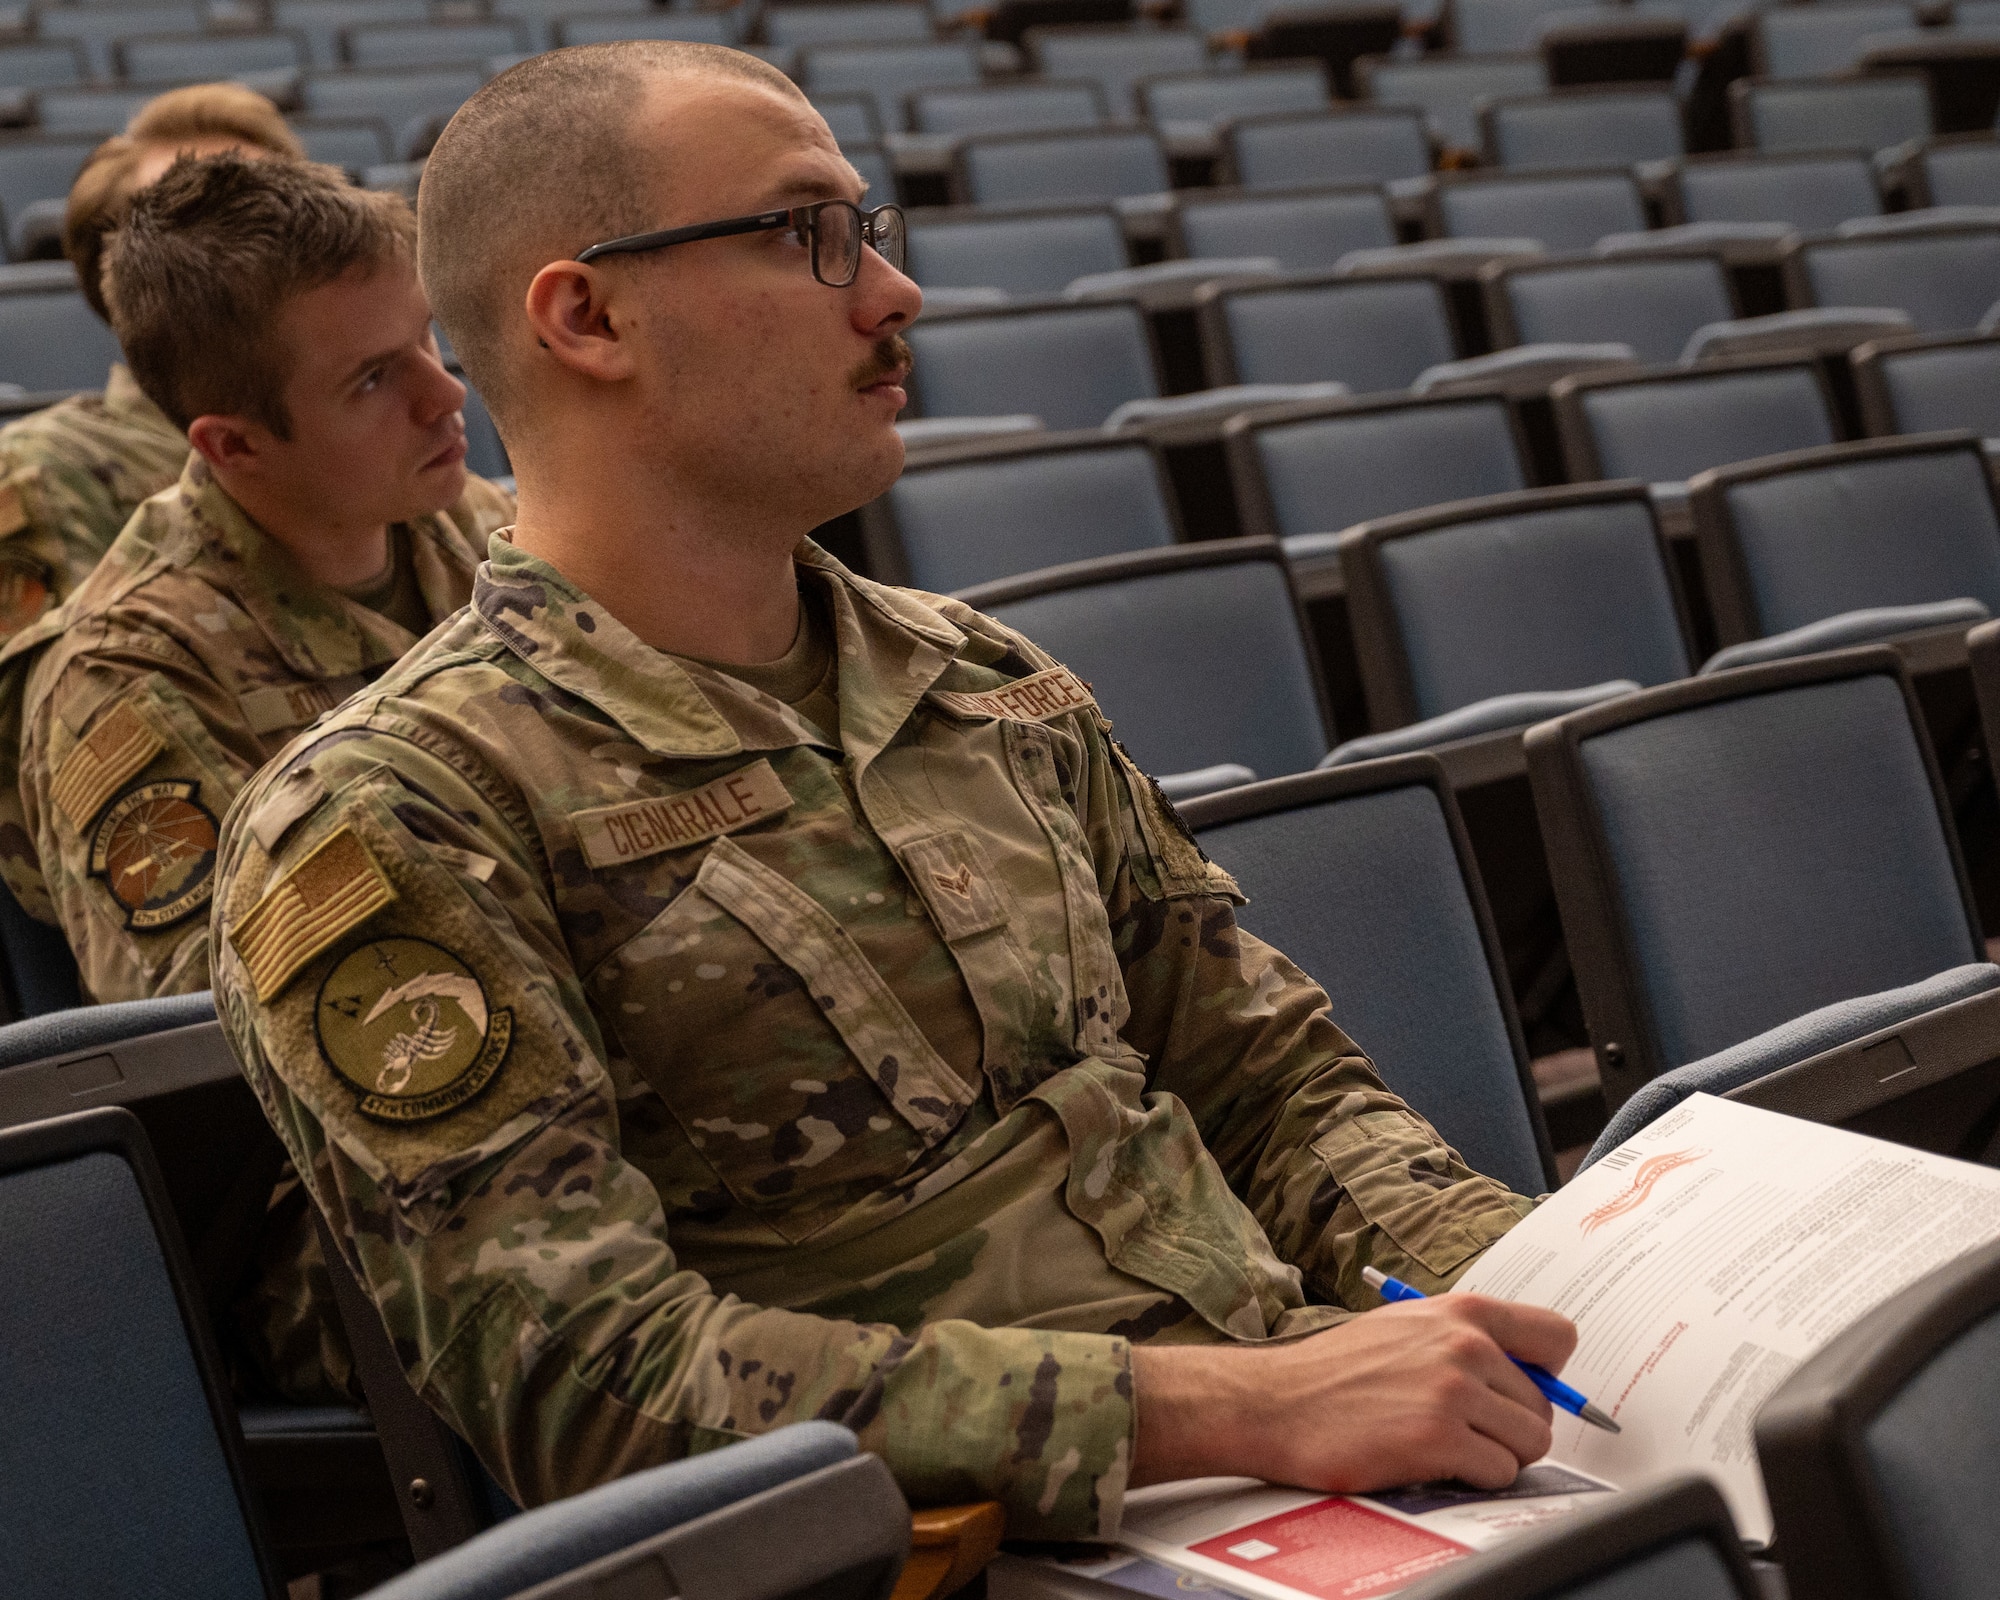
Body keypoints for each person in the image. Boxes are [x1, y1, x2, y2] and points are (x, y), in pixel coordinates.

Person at [210, 42, 1575, 1536]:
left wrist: (1549, 1288)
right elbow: (590, 1384)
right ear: (588, 314)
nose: (889, 292)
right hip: (970, 1544)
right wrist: (1230, 1409)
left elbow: (1270, 1086)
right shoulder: (397, 810)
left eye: (870, 229)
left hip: (1294, 1449)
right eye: (809, 235)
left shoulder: (979, 676)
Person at [0, 152, 513, 1401]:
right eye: (373, 379)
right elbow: (235, 1062)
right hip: (356, 1217)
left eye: (429, 341)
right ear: (233, 445)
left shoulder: (492, 536)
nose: (448, 394)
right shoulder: (129, 686)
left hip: (561, 1103)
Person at [0, 85, 303, 643]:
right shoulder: (48, 466)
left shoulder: (373, 420)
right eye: (190, 221)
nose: (256, 249)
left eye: (278, 214)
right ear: (117, 274)